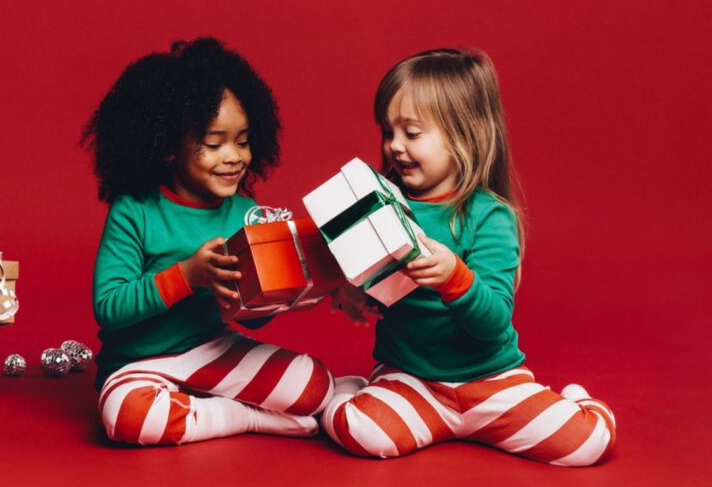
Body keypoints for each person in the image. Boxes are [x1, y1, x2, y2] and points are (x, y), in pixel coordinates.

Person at [323, 48, 616, 466]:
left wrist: (453, 277)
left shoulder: (489, 216)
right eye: (389, 132)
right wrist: (352, 289)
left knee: (587, 444)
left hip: (491, 379)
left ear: (465, 135)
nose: (395, 147)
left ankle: (576, 399)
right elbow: (380, 281)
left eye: (412, 133)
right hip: (412, 380)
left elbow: (493, 321)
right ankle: (353, 391)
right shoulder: (382, 203)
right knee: (358, 431)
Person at [83, 37, 334, 445]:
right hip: (139, 364)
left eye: (243, 141)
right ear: (167, 146)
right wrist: (187, 275)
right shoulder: (135, 210)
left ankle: (201, 410)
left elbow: (251, 317)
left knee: (315, 387)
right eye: (215, 144)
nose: (234, 156)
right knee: (130, 419)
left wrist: (278, 292)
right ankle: (245, 417)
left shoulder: (246, 214)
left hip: (213, 350)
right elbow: (109, 308)